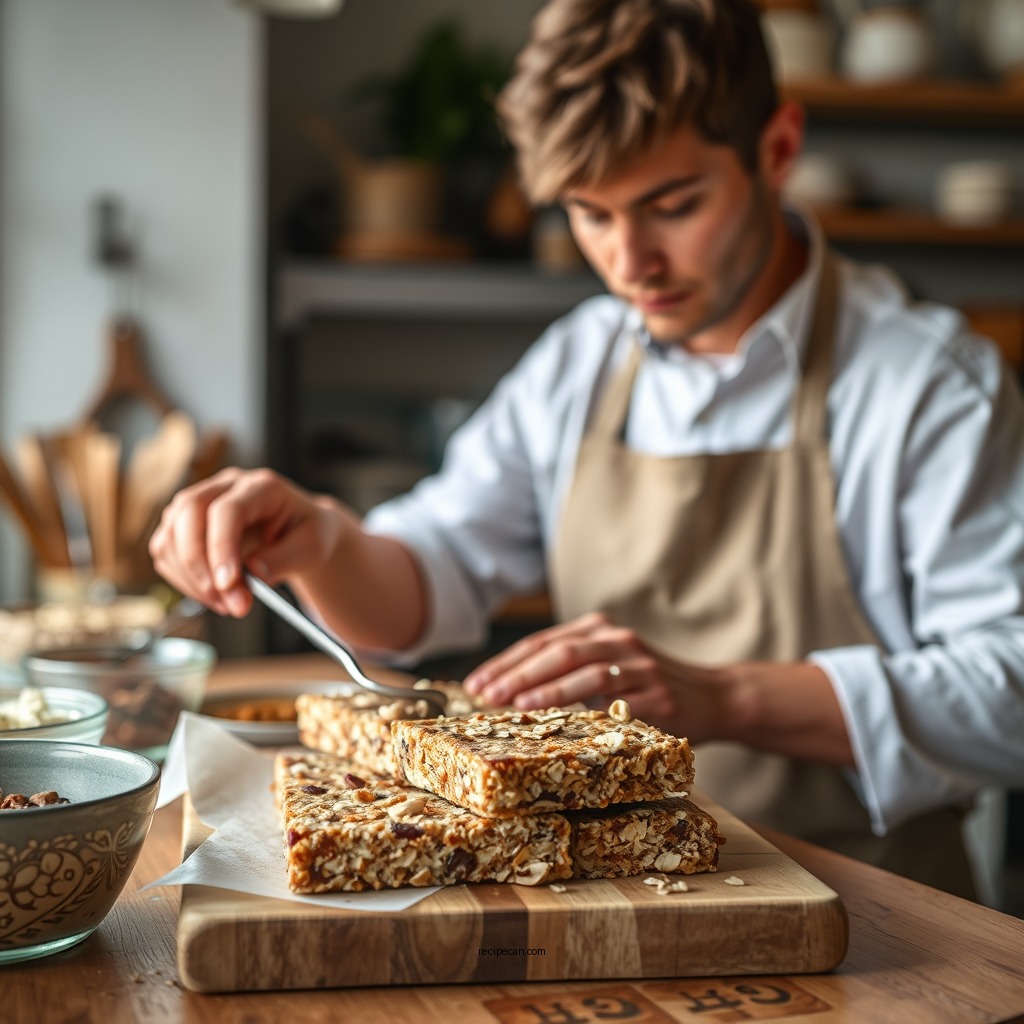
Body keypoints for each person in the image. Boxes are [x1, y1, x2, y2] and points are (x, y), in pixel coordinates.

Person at [151, 0, 1024, 898]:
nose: (629, 262)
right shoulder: (585, 359)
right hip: (613, 904)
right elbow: (431, 574)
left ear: (778, 149)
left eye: (672, 205)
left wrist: (724, 698)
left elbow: (1012, 688)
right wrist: (323, 542)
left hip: (881, 916)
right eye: (589, 214)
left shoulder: (928, 383)